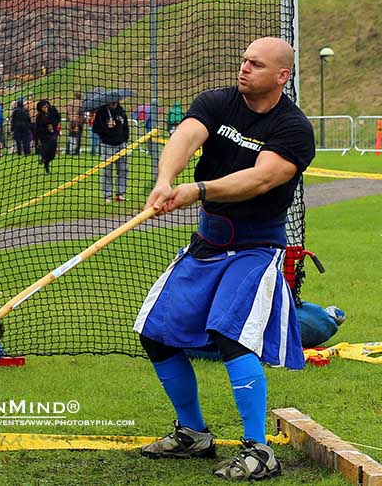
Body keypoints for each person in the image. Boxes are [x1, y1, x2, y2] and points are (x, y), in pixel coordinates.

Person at [133, 37, 315, 481]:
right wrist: (165, 179)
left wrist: (197, 189)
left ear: (281, 76)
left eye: (256, 63)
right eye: (244, 60)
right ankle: (192, 433)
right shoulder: (217, 101)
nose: (244, 68)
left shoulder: (293, 127)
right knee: (155, 333)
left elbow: (259, 179)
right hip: (206, 245)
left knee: (232, 335)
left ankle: (259, 452)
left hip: (255, 250)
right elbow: (187, 135)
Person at [93, 99, 129, 203]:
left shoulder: (121, 111)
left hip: (121, 145)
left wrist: (125, 139)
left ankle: (120, 193)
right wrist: (106, 126)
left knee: (123, 169)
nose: (113, 104)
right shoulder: (102, 112)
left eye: (115, 102)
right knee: (107, 171)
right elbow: (96, 129)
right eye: (111, 102)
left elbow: (125, 127)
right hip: (107, 145)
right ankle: (107, 195)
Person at [35, 100, 58, 174]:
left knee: (52, 152)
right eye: (44, 107)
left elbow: (54, 121)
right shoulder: (39, 116)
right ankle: (43, 158)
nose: (46, 108)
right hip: (43, 135)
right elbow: (38, 128)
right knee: (46, 148)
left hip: (50, 134)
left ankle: (45, 161)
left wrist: (51, 127)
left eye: (46, 107)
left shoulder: (49, 114)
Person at [66, 91, 84, 155]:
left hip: (70, 121)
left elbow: (67, 113)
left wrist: (69, 120)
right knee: (78, 137)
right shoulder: (81, 104)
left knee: (70, 136)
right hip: (78, 121)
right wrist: (81, 122)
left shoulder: (70, 103)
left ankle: (68, 150)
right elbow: (82, 114)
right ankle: (76, 151)